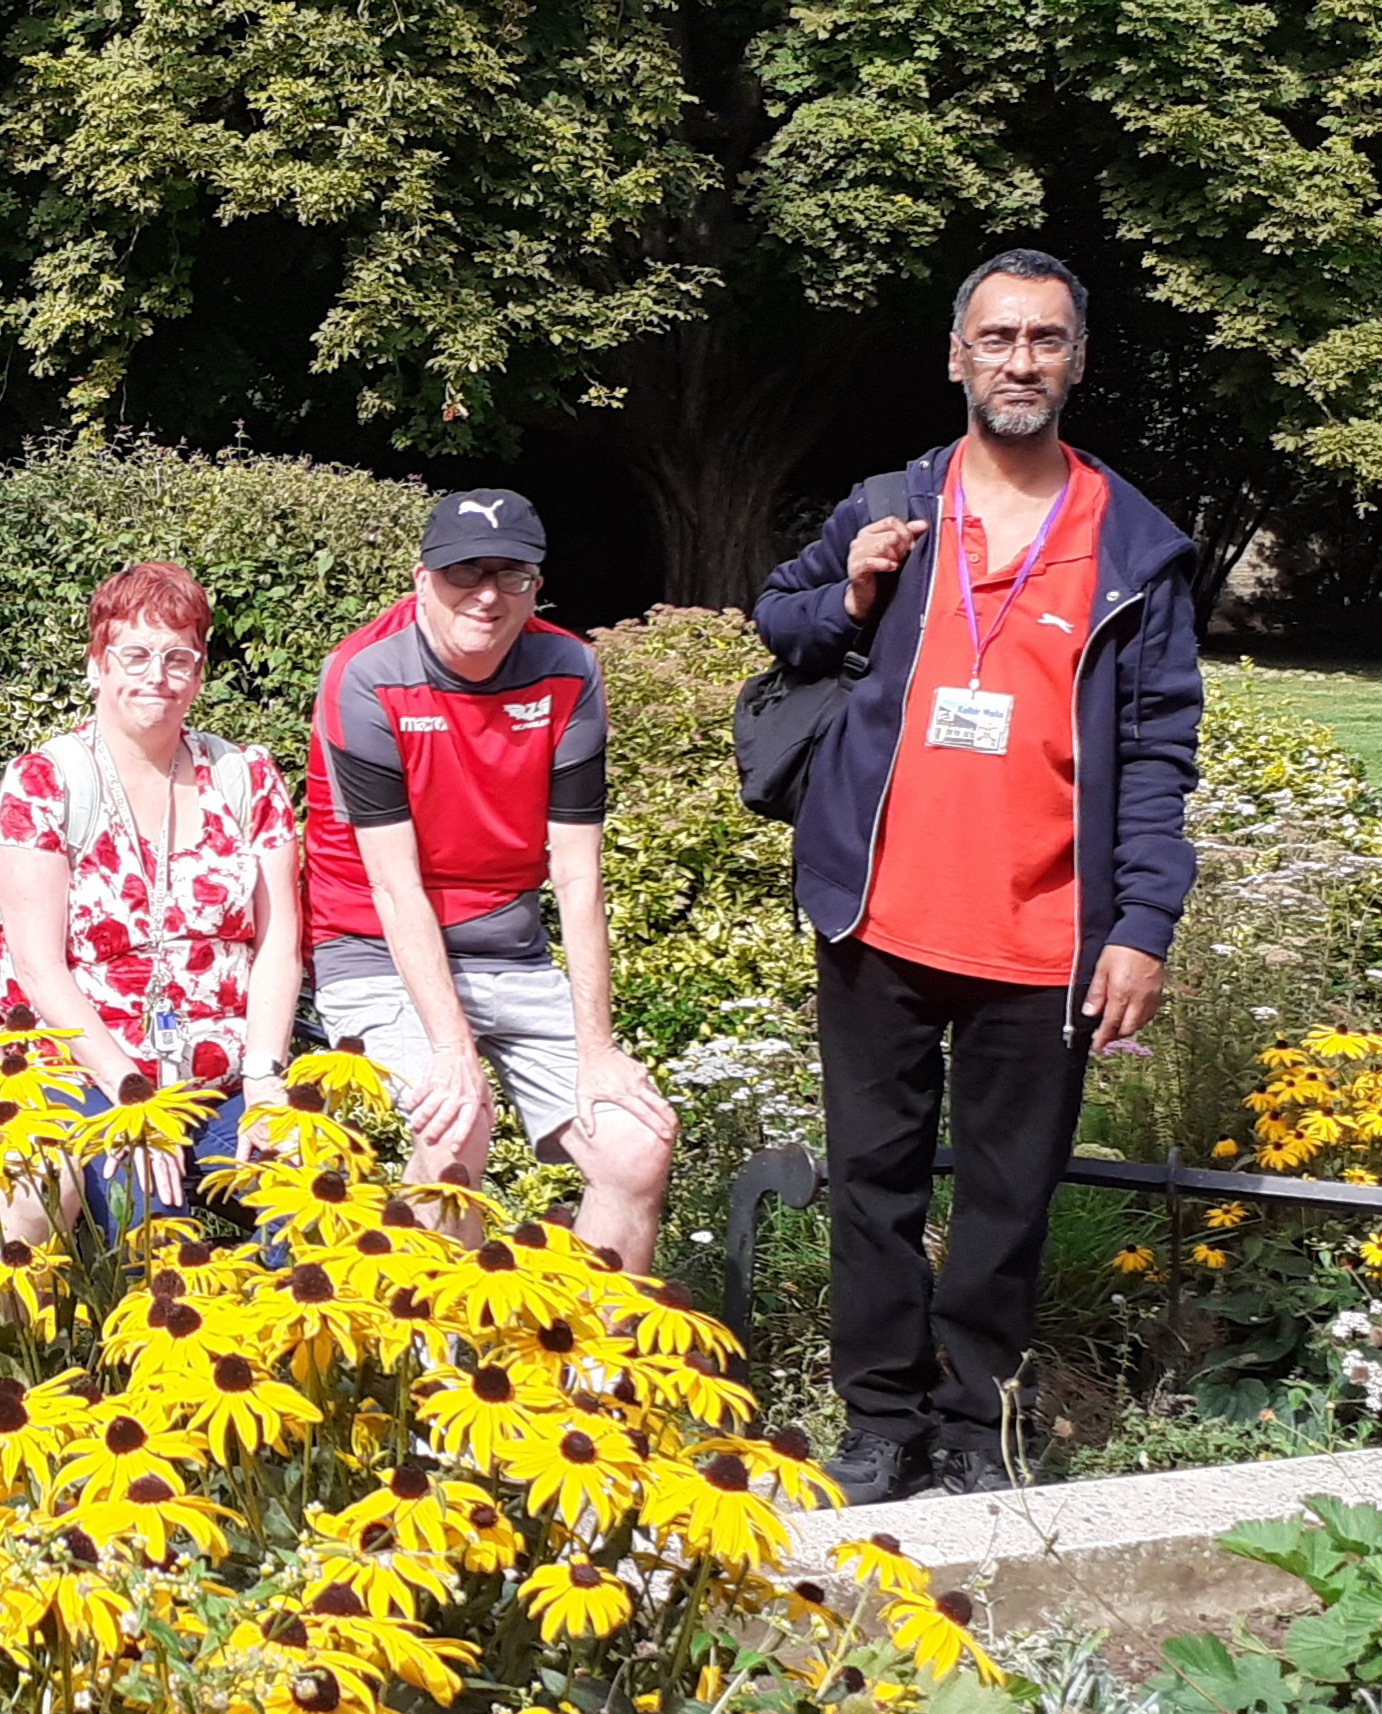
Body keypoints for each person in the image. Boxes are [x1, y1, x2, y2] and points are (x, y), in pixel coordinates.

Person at [754, 249, 1202, 1502]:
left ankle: (967, 1420)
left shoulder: (1134, 548)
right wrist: (848, 591)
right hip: (878, 912)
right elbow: (779, 621)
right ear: (957, 356)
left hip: (1043, 934)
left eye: (1043, 340)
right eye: (996, 338)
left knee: (1009, 1199)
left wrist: (1143, 924)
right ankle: (878, 1417)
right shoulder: (891, 501)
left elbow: (1160, 749)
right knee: (872, 1184)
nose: (1019, 361)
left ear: (1074, 360)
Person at [303, 488, 676, 1272]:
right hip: (373, 949)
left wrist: (599, 1049)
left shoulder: (569, 669)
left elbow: (578, 877)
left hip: (510, 951)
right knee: (453, 1127)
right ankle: (440, 1368)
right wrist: (450, 1046)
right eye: (463, 573)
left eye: (511, 575)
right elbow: (395, 888)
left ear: (536, 584)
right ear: (420, 580)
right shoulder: (364, 676)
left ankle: (599, 1381)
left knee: (635, 1148)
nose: (487, 595)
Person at [0, 561, 302, 1244]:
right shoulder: (46, 782)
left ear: (199, 673)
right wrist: (132, 1096)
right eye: (133, 653)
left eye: (178, 657)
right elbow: (37, 965)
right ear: (97, 662)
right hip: (92, 1074)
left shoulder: (246, 776)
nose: (155, 675)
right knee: (150, 1226)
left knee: (309, 1202)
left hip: (223, 1081)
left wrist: (264, 1080)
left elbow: (278, 944)